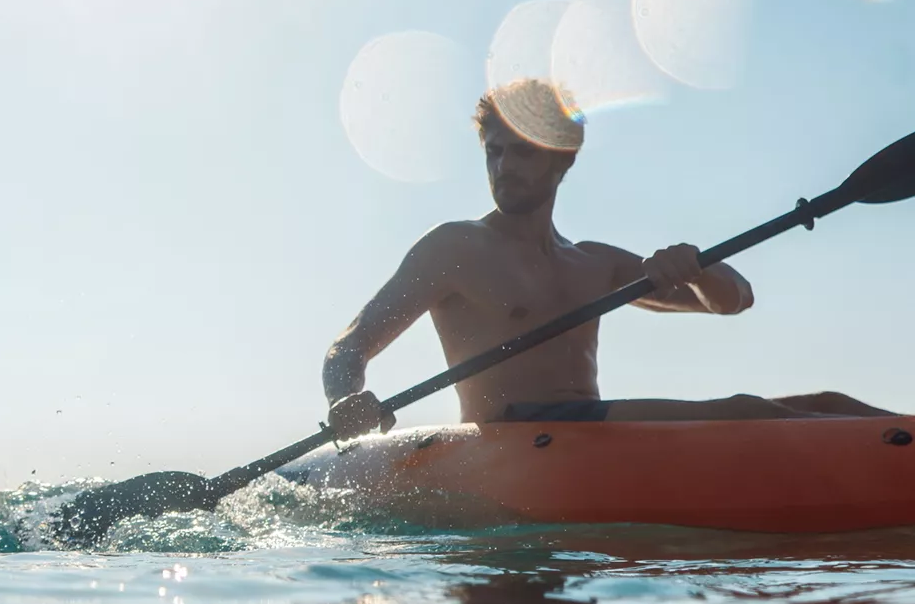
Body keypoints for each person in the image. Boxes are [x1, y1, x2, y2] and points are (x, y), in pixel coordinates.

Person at [322, 78, 888, 438]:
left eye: (523, 152)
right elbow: (349, 346)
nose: (505, 167)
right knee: (749, 409)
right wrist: (346, 398)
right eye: (495, 152)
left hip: (586, 431)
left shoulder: (593, 263)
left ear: (563, 161)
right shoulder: (455, 247)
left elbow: (734, 301)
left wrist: (696, 266)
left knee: (828, 402)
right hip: (513, 434)